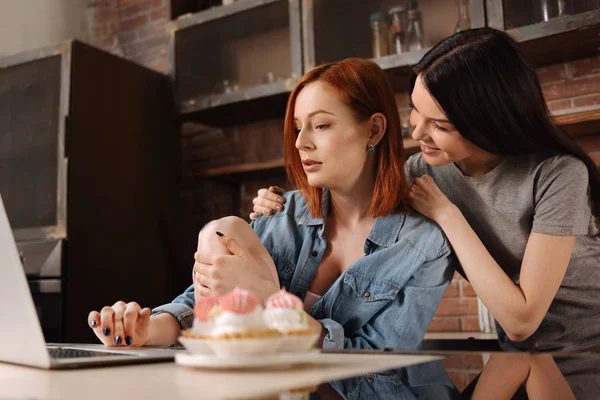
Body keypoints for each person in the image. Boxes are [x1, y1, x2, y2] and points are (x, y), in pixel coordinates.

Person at [250, 27, 600, 353]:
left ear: (489, 123)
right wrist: (277, 203)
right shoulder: (424, 168)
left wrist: (448, 215)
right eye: (416, 109)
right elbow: (354, 182)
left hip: (585, 351)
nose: (417, 135)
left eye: (440, 125)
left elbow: (522, 321)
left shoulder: (560, 175)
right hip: (516, 357)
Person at [87, 58, 457, 350]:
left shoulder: (424, 246)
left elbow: (381, 361)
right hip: (252, 385)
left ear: (374, 130)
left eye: (321, 125)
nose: (300, 144)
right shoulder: (280, 213)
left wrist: (271, 298)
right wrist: (144, 329)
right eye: (298, 127)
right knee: (223, 228)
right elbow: (199, 305)